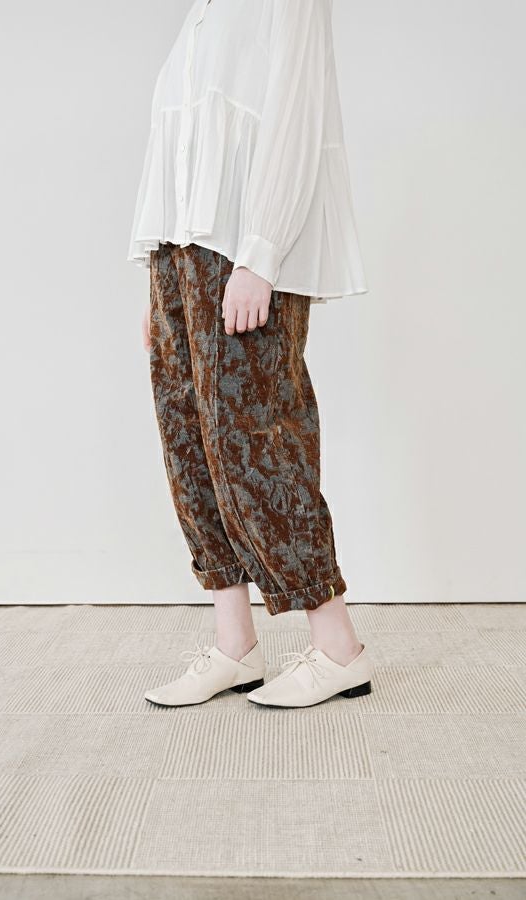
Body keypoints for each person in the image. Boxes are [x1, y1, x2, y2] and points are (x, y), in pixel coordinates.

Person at [127, 0, 373, 708]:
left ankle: (338, 647)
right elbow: (177, 144)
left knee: (257, 440)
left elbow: (297, 115)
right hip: (179, 253)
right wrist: (158, 288)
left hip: (241, 250)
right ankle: (235, 645)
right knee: (190, 444)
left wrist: (261, 254)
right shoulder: (200, 15)